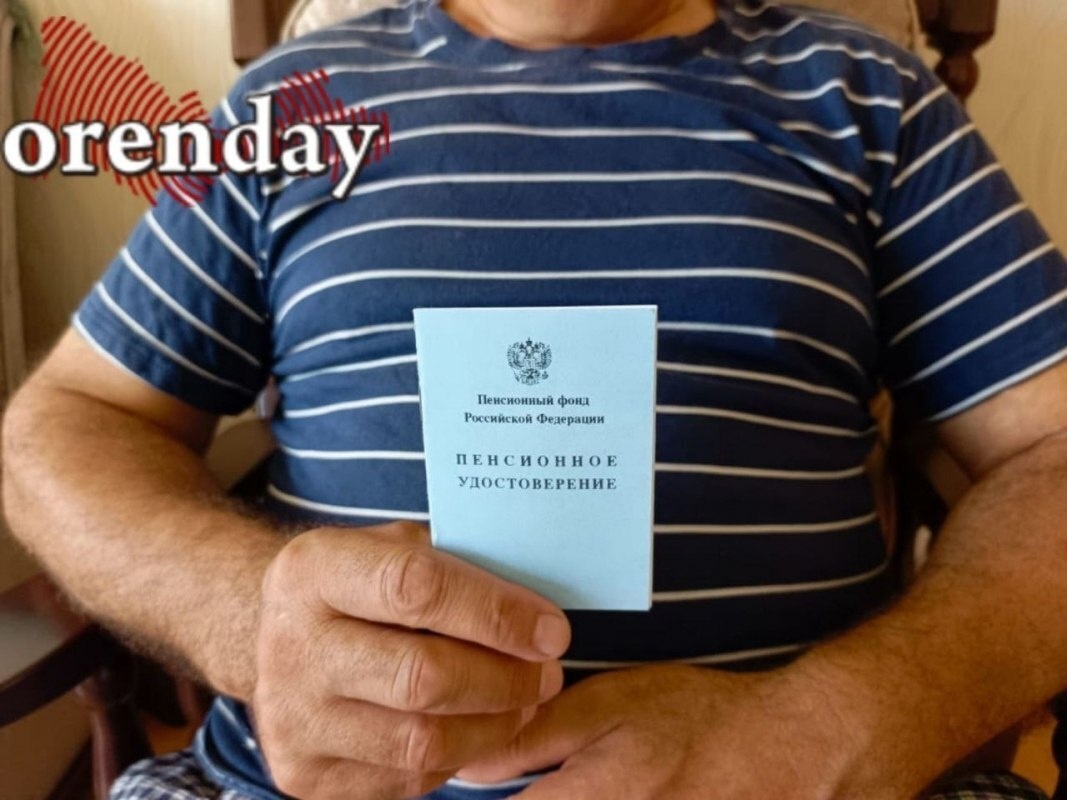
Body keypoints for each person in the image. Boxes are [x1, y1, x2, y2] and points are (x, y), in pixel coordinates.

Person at [4, 0, 1067, 797]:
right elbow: (65, 424)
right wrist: (246, 614)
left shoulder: (868, 97)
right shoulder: (286, 107)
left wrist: (836, 725)